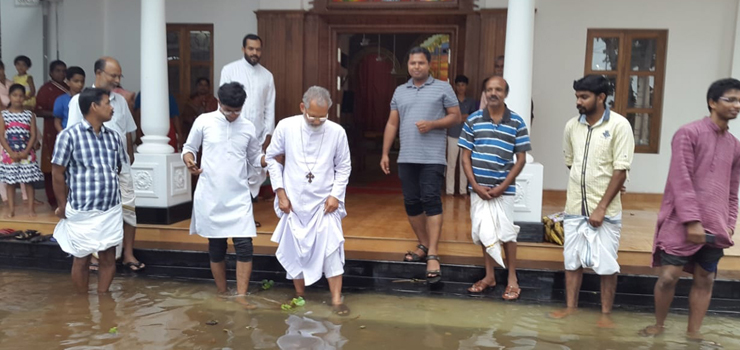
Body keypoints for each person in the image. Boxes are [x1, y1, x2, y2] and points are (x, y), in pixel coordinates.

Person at [639, 78, 740, 342]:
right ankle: (659, 326)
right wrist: (691, 220)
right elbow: (679, 179)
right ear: (712, 102)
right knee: (669, 277)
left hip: (716, 224)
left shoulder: (735, 145)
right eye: (730, 99)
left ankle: (693, 333)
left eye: (739, 100)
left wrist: (730, 222)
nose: (736, 105)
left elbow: (732, 189)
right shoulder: (688, 133)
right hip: (680, 222)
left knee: (706, 278)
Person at [549, 75, 634, 327]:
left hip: (605, 211)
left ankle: (606, 314)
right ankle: (570, 308)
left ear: (601, 98)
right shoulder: (571, 127)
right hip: (574, 206)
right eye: (577, 96)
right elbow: (570, 162)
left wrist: (601, 206)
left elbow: (621, 170)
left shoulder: (620, 126)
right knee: (571, 260)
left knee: (606, 263)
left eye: (584, 97)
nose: (579, 101)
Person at [265, 86, 352, 316]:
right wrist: (280, 192)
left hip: (325, 202)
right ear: (302, 107)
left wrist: (335, 195)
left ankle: (336, 299)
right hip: (292, 199)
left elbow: (343, 166)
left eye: (322, 117)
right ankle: (300, 295)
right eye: (312, 116)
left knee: (332, 248)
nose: (317, 121)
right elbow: (271, 157)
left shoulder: (337, 132)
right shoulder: (286, 126)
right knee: (295, 249)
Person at [380, 47, 462, 283]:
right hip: (406, 157)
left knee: (431, 200)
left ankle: (434, 253)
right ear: (408, 66)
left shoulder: (443, 88)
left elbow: (455, 116)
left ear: (429, 65)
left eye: (421, 63)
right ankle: (424, 245)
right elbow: (392, 124)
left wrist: (434, 124)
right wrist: (385, 152)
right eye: (412, 63)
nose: (416, 67)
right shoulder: (399, 91)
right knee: (412, 202)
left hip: (432, 157)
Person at [182, 82, 266, 305]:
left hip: (238, 195)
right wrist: (189, 161)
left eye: (237, 111)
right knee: (216, 245)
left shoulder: (248, 127)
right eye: (228, 110)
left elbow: (256, 158)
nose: (232, 115)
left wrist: (268, 159)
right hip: (211, 194)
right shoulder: (204, 122)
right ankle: (221, 291)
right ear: (219, 102)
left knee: (244, 245)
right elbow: (189, 148)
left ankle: (241, 296)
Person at [66, 57, 143, 272]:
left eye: (119, 76)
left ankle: (128, 254)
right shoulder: (79, 101)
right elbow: (71, 136)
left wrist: (128, 157)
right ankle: (94, 255)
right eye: (113, 75)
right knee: (94, 212)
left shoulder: (119, 101)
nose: (117, 80)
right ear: (99, 73)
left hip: (120, 168)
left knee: (128, 211)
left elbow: (127, 132)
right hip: (91, 172)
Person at [459, 76, 531, 300]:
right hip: (479, 190)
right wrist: (475, 185)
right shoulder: (473, 120)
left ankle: (512, 279)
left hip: (504, 191)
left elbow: (521, 159)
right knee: (484, 232)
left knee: (508, 234)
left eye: (498, 90)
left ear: (505, 94)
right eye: (489, 89)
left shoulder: (517, 122)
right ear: (484, 93)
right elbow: (465, 157)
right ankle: (489, 276)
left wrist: (503, 186)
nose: (493, 93)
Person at [51, 88, 128, 294]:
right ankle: (81, 302)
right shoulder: (69, 136)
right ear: (94, 106)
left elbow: (117, 169)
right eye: (107, 103)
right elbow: (57, 173)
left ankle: (104, 299)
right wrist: (62, 205)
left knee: (108, 256)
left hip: (110, 207)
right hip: (81, 208)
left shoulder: (114, 137)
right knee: (81, 258)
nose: (112, 108)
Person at [220, 33, 276, 227]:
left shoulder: (267, 76)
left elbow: (269, 107)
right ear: (243, 49)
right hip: (233, 134)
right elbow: (223, 102)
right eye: (251, 49)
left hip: (258, 135)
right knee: (234, 176)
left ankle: (246, 217)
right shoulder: (229, 70)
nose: (255, 52)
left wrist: (268, 135)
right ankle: (231, 217)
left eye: (258, 49)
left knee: (253, 178)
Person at [0, 84, 45, 217]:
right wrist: (10, 152)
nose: (18, 99)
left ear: (24, 97)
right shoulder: (3, 115)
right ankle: (11, 209)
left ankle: (31, 209)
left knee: (29, 181)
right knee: (11, 182)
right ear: (9, 97)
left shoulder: (30, 115)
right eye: (15, 95)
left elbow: (32, 135)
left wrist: (26, 150)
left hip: (27, 153)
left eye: (21, 96)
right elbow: (1, 136)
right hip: (10, 153)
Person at [35, 60, 69, 209]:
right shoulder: (45, 89)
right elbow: (38, 110)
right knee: (51, 167)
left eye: (63, 71)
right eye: (58, 71)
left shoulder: (70, 88)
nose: (61, 74)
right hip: (51, 132)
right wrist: (57, 113)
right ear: (51, 73)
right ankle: (53, 199)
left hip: (68, 131)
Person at [446, 75, 477, 196]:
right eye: (458, 85)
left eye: (463, 85)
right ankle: (449, 191)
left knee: (464, 164)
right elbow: (450, 117)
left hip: (466, 136)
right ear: (455, 86)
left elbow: (472, 118)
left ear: (466, 86)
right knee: (451, 164)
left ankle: (463, 190)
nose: (460, 88)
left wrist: (458, 117)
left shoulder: (471, 101)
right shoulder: (451, 100)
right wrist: (462, 117)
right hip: (452, 134)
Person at [53, 67, 86, 132]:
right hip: (67, 131)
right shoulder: (61, 100)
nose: (80, 84)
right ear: (68, 82)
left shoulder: (87, 98)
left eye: (82, 81)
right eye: (76, 81)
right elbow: (57, 121)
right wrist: (63, 134)